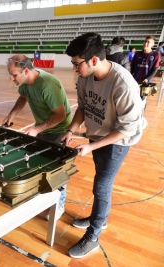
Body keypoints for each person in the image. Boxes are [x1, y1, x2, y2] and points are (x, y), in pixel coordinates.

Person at [63, 32, 143, 259]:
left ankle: (94, 235)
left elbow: (127, 128)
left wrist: (92, 147)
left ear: (94, 60)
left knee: (102, 185)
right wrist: (71, 130)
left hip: (118, 139)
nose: (75, 69)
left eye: (77, 64)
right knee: (100, 181)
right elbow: (82, 107)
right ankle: (99, 215)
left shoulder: (124, 84)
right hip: (97, 134)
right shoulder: (85, 77)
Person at [3, 54, 72, 221]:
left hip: (59, 129)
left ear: (26, 70)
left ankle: (59, 203)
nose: (11, 79)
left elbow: (60, 115)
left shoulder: (47, 84)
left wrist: (37, 129)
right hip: (43, 128)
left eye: (14, 75)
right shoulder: (26, 83)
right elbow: (23, 97)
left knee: (56, 169)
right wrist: (12, 114)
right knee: (38, 163)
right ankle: (39, 195)